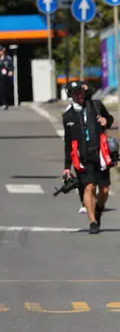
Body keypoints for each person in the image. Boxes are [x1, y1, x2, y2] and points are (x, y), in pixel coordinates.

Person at [62, 80, 114, 234]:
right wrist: (67, 167)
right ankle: (93, 222)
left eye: (81, 91)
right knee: (89, 187)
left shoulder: (95, 106)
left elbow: (109, 119)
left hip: (100, 154)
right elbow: (67, 142)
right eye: (75, 92)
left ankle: (98, 209)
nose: (79, 95)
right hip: (83, 157)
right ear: (70, 95)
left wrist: (106, 121)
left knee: (104, 189)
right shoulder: (68, 116)